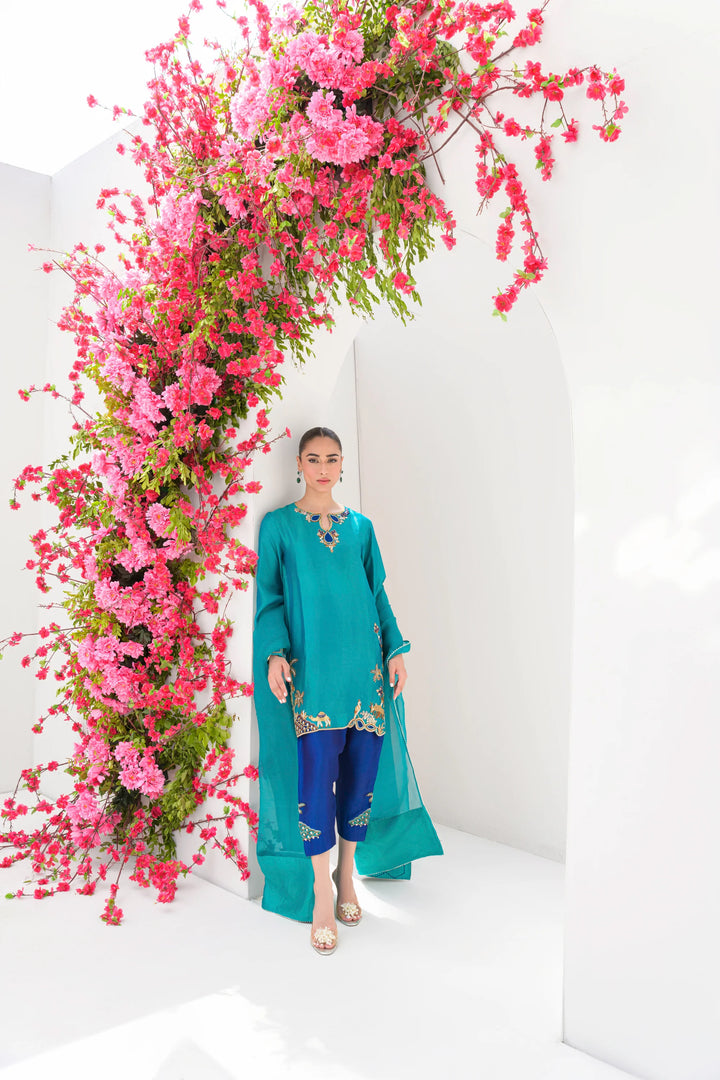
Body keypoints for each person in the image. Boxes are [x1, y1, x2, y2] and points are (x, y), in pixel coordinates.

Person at [252, 426, 442, 954]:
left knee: (360, 780)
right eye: (313, 459)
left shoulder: (360, 528)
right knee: (316, 782)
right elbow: (270, 597)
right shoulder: (279, 527)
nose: (323, 468)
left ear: (342, 465)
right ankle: (320, 890)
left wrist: (395, 649)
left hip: (365, 674)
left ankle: (347, 874)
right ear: (298, 464)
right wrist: (274, 652)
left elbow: (377, 594)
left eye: (332, 459)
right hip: (313, 675)